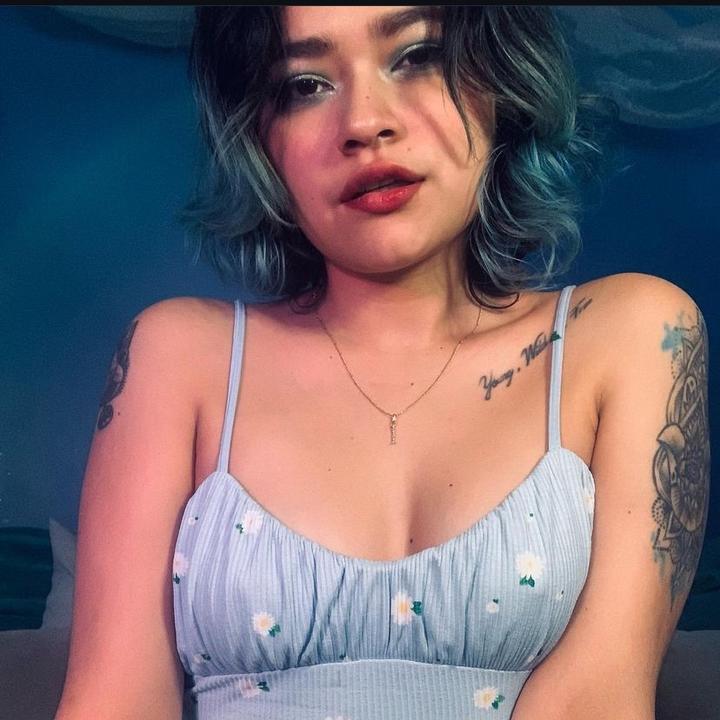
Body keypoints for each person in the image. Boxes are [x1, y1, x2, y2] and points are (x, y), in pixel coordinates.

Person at [55, 6, 710, 720]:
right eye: (304, 85)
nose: (365, 122)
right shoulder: (177, 355)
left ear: (500, 80)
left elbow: (601, 697)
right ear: (261, 140)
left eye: (417, 55)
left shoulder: (630, 334)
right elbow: (113, 701)